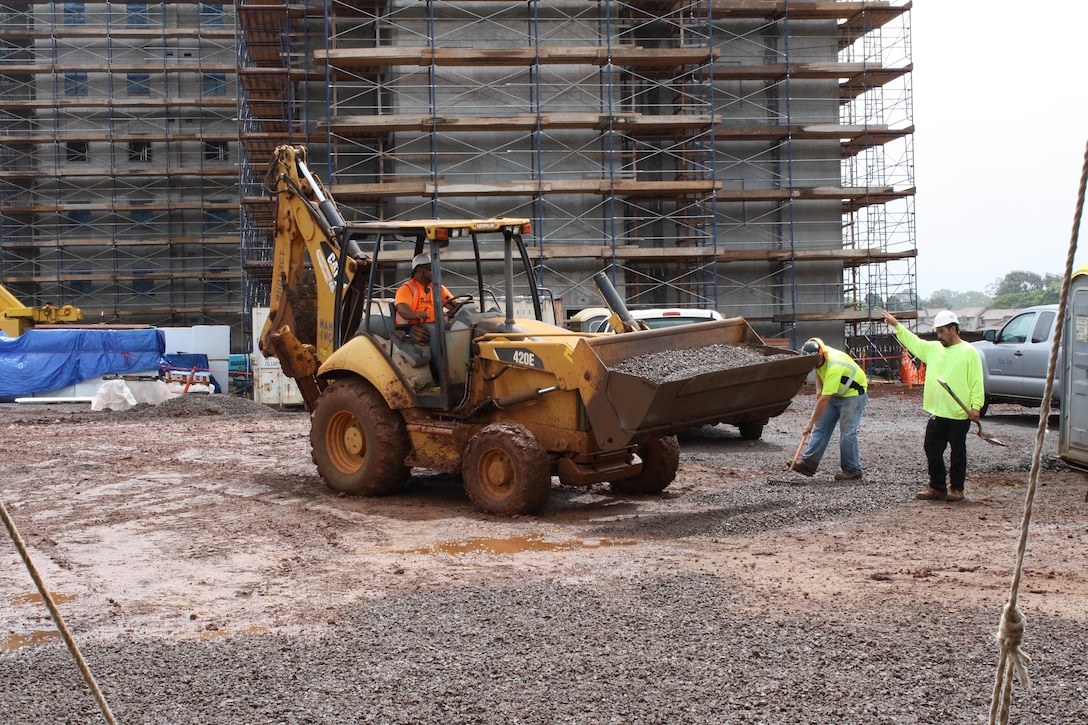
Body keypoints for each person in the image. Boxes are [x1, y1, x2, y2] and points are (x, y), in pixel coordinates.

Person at [881, 309, 985, 502]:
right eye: (937, 331)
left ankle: (957, 489)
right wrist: (896, 325)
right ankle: (937, 487)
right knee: (931, 448)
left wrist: (976, 406)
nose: (939, 335)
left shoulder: (969, 352)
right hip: (937, 411)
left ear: (953, 329)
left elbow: (977, 382)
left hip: (958, 414)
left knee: (958, 452)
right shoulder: (934, 349)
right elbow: (914, 342)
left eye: (942, 331)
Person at [789, 337, 868, 480]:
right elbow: (818, 370)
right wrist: (818, 388)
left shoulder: (834, 365)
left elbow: (825, 400)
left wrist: (809, 424)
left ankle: (853, 470)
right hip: (836, 391)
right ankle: (809, 464)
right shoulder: (818, 358)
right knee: (821, 427)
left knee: (847, 433)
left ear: (821, 354)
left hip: (853, 393)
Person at [395, 253, 454, 344]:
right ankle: (440, 358)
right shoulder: (407, 288)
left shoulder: (438, 288)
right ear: (419, 270)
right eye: (431, 269)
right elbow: (402, 308)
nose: (435, 272)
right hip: (414, 326)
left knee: (456, 327)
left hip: (438, 324)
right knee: (433, 333)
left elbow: (454, 304)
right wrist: (415, 314)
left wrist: (461, 308)